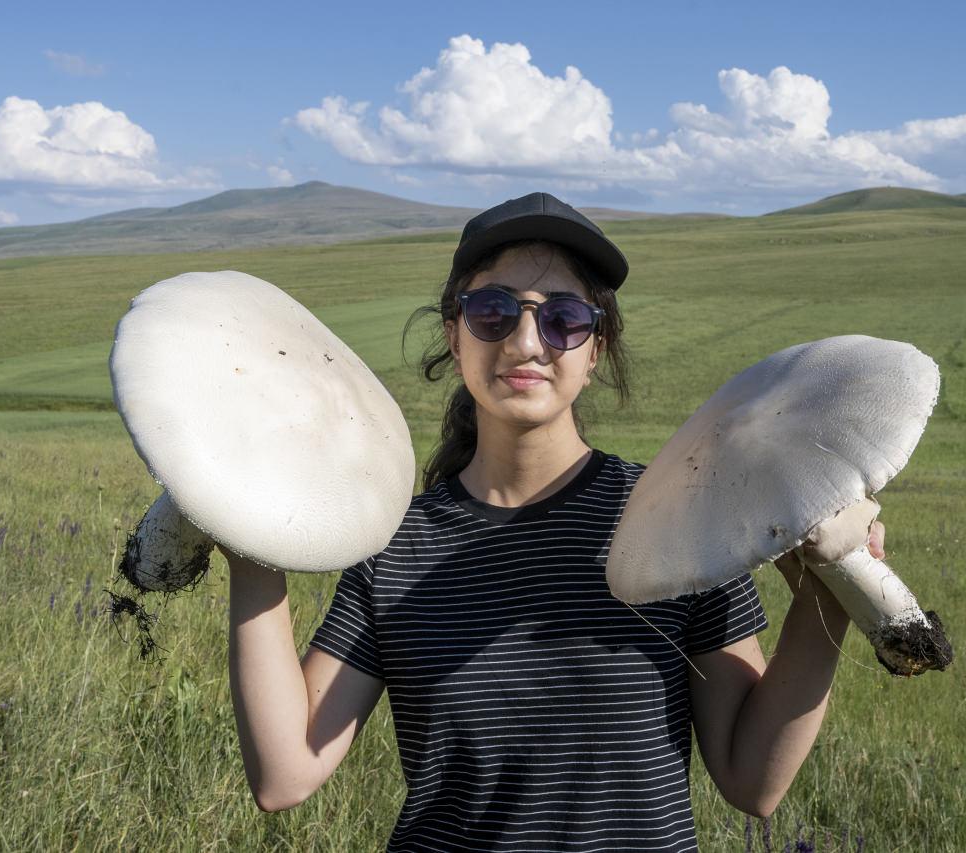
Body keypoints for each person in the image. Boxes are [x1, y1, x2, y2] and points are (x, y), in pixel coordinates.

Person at [225, 192, 885, 851]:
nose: (525, 341)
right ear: (455, 336)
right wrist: (251, 549)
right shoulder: (394, 544)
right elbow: (285, 774)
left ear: (594, 349)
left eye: (564, 318)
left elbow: (752, 781)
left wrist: (827, 599)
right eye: (493, 312)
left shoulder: (682, 515)